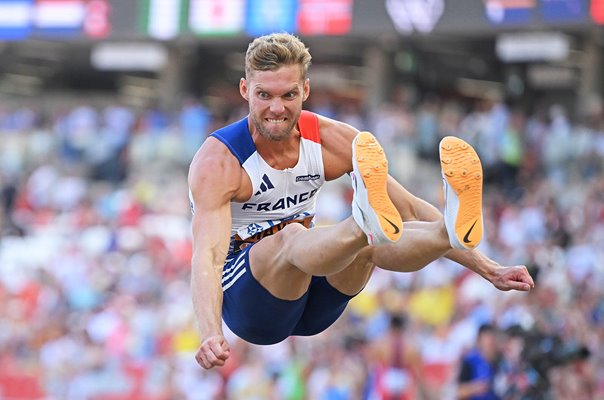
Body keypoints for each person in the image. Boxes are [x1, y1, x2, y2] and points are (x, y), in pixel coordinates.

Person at [188, 32, 534, 370]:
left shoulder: (333, 140)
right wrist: (210, 333)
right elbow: (207, 255)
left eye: (288, 95)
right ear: (245, 90)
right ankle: (362, 224)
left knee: (367, 243)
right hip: (251, 307)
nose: (276, 109)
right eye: (264, 95)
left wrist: (489, 269)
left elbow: (410, 209)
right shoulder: (219, 162)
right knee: (292, 234)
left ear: (305, 90)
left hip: (317, 297)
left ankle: (441, 232)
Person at [457, 324, 501, 400]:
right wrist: (477, 388)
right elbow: (459, 391)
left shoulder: (499, 362)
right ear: (479, 341)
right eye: (487, 339)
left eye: (492, 339)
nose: (490, 343)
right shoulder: (470, 361)